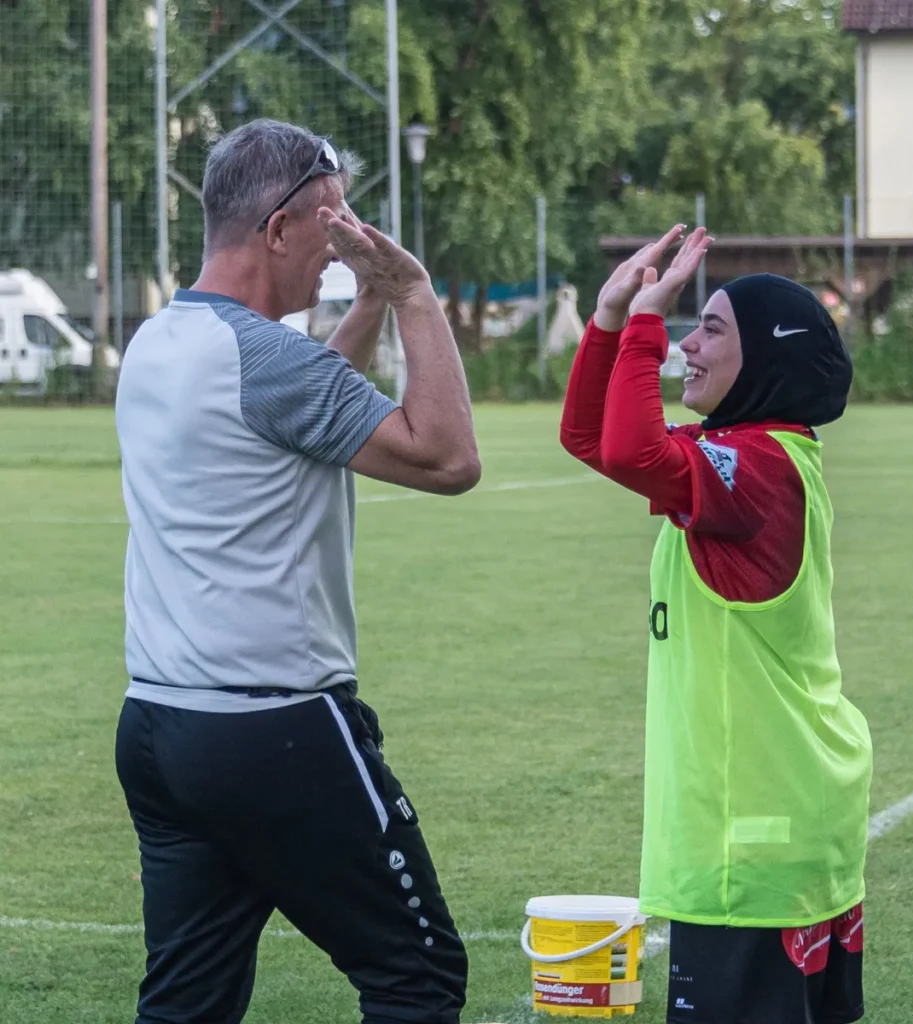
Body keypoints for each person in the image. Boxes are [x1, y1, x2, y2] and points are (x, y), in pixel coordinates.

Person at [113, 118, 480, 1024]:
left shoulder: (160, 341)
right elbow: (447, 458)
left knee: (188, 1002)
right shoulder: (263, 360)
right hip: (275, 735)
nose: (345, 242)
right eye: (332, 218)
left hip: (162, 729)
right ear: (278, 229)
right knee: (418, 975)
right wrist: (415, 297)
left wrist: (366, 306)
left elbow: (298, 410)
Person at [560, 226, 872, 1024]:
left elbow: (630, 451)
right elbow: (592, 437)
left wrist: (645, 325)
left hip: (752, 849)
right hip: (782, 827)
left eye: (711, 329)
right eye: (689, 326)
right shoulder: (749, 454)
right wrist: (608, 319)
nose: (688, 347)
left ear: (765, 359)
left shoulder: (759, 469)